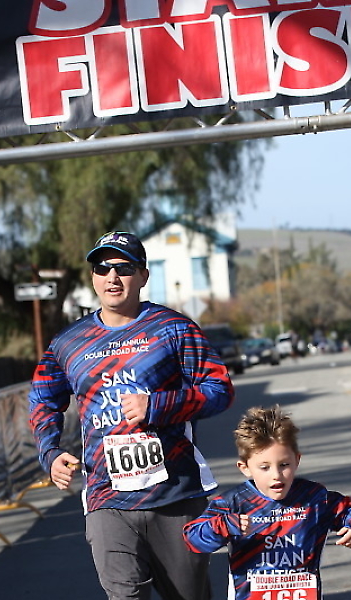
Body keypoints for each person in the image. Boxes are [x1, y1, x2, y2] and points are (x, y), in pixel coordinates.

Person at [28, 231, 235, 600]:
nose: (112, 276)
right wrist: (50, 451)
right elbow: (43, 398)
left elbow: (219, 390)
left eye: (123, 268)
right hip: (107, 498)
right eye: (102, 268)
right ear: (93, 277)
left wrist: (157, 406)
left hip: (174, 494)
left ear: (143, 276)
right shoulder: (68, 343)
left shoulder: (173, 329)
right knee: (124, 596)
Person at [183, 405, 351, 600]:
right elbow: (193, 538)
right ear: (245, 467)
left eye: (284, 465)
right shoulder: (233, 502)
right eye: (264, 467)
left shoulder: (314, 498)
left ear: (297, 460)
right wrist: (222, 526)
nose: (276, 475)